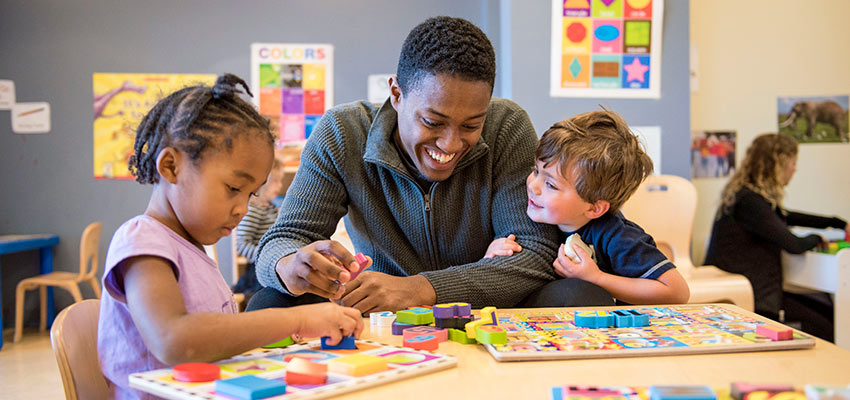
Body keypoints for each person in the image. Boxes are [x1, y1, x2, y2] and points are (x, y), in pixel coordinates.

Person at [249, 16, 578, 314]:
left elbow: (534, 254)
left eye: (471, 125)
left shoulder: (507, 125)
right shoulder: (342, 133)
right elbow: (283, 239)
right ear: (396, 93)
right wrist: (291, 266)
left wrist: (421, 289)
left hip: (485, 306)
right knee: (270, 301)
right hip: (381, 310)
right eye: (433, 122)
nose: (451, 144)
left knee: (577, 294)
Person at [97, 74, 363, 399]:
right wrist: (298, 319)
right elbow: (176, 341)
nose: (241, 209)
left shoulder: (194, 250)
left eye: (250, 195)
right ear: (170, 166)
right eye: (233, 189)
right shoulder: (142, 241)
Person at [486, 110, 690, 305]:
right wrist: (491, 255)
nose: (533, 185)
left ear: (594, 208)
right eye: (536, 170)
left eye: (551, 185)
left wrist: (597, 278)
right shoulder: (530, 213)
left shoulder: (617, 236)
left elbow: (677, 291)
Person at [704, 133, 849, 340]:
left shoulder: (748, 197)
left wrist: (835, 222)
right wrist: (818, 238)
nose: (794, 169)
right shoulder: (751, 202)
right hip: (753, 296)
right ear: (778, 165)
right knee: (825, 323)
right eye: (792, 163)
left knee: (826, 308)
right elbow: (794, 244)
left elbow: (786, 216)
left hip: (758, 289)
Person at [232, 157, 285, 303]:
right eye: (274, 181)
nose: (279, 186)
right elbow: (242, 244)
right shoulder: (253, 210)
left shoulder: (271, 208)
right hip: (258, 271)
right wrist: (265, 257)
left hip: (272, 264)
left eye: (280, 181)